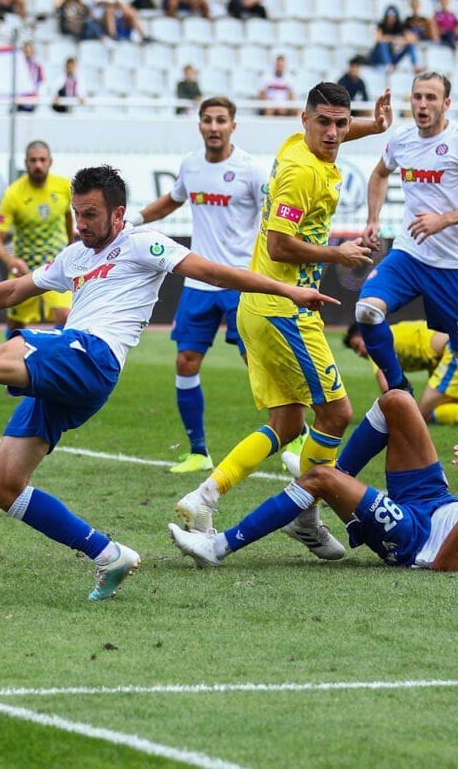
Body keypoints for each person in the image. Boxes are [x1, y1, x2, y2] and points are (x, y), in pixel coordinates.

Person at [0, 165, 339, 600]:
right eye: (77, 214)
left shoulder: (142, 243)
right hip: (73, 372)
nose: (82, 224)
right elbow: (15, 288)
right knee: (4, 486)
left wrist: (286, 290)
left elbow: (214, 272)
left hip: (94, 356)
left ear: (118, 213)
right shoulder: (76, 255)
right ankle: (109, 554)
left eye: (91, 214)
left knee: (4, 352)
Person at [175, 82, 393, 560]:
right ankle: (304, 515)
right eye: (324, 122)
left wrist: (375, 127)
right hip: (284, 309)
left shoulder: (300, 145)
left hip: (260, 304)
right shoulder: (302, 172)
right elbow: (278, 245)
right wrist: (337, 253)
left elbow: (336, 131)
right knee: (336, 414)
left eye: (341, 123)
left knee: (289, 422)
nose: (333, 133)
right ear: (304, 120)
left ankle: (204, 496)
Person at [169, 389, 458, 571]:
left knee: (319, 477)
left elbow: (448, 566)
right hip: (436, 500)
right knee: (398, 401)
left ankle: (217, 547)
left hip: (415, 539)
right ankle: (313, 512)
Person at [357, 72, 458, 467]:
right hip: (410, 254)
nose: (422, 105)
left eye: (430, 98)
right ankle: (399, 386)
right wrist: (372, 219)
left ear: (446, 104)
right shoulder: (402, 139)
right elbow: (379, 173)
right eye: (417, 97)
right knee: (367, 311)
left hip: (455, 266)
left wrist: (445, 219)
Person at [128, 96, 265, 474]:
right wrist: (131, 221)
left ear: (233, 125)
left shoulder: (252, 169)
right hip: (199, 282)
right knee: (185, 362)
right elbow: (171, 201)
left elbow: (271, 216)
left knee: (256, 363)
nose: (214, 127)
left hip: (240, 282)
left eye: (221, 120)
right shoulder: (191, 165)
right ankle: (198, 451)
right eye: (207, 120)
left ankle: (296, 433)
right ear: (200, 124)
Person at [342, 320, 458, 433]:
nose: (360, 353)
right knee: (436, 412)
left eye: (358, 346)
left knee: (419, 416)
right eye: (355, 351)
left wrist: (385, 420)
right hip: (450, 351)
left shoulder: (376, 342)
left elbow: (388, 390)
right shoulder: (385, 335)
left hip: (454, 351)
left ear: (365, 336)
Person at [0, 142, 74, 339]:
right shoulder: (13, 194)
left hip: (56, 265)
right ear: (26, 163)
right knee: (16, 325)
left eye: (42, 160)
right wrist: (11, 261)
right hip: (25, 268)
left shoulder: (64, 187)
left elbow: (69, 216)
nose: (38, 165)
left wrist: (71, 247)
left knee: (65, 316)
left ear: (50, 162)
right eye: (33, 160)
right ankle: (13, 355)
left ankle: (53, 356)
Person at [372, 4, 422, 74]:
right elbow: (379, 39)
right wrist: (395, 39)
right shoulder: (381, 25)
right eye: (389, 15)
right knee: (383, 44)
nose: (391, 18)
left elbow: (412, 39)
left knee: (410, 45)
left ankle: (415, 66)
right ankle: (388, 65)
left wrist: (402, 41)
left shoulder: (399, 27)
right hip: (378, 57)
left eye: (393, 16)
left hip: (392, 57)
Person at [19, 40, 45, 113]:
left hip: (32, 99)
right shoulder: (18, 65)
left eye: (29, 51)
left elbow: (41, 82)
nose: (27, 53)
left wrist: (37, 95)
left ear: (33, 52)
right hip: (19, 100)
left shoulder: (38, 66)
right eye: (25, 51)